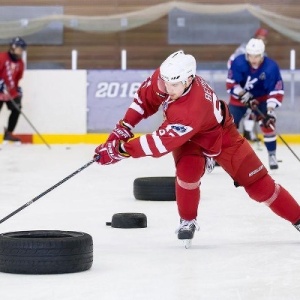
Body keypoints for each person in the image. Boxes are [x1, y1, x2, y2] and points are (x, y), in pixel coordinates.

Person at [93, 50, 300, 248]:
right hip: (187, 137)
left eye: (174, 85)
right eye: (164, 82)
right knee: (187, 172)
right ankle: (187, 220)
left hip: (221, 135)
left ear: (189, 80)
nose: (167, 88)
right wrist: (123, 128)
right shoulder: (166, 77)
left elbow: (158, 144)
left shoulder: (191, 108)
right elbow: (143, 102)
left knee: (259, 186)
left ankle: (298, 218)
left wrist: (119, 150)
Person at [226, 38, 283, 170]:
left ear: (262, 54)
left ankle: (272, 155)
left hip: (262, 98)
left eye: (256, 56)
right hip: (240, 98)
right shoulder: (238, 62)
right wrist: (244, 95)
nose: (253, 59)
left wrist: (270, 110)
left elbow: (276, 90)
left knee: (268, 123)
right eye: (250, 55)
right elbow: (231, 84)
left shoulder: (271, 67)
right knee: (228, 124)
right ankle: (220, 156)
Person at [227, 28, 268, 142]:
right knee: (235, 113)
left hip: (253, 86)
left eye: (264, 39)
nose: (262, 40)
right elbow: (232, 63)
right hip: (241, 84)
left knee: (251, 110)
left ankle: (248, 132)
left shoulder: (262, 52)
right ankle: (230, 137)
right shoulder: (244, 48)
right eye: (260, 37)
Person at [0, 37, 27, 144]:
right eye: (20, 48)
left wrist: (17, 89)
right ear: (13, 47)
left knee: (17, 109)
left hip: (10, 92)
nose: (21, 51)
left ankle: (8, 134)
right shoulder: (2, 57)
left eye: (22, 49)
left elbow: (17, 78)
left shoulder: (21, 63)